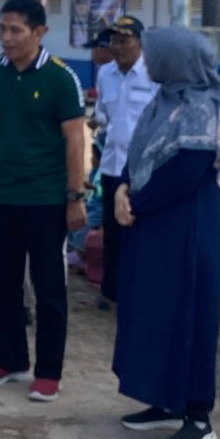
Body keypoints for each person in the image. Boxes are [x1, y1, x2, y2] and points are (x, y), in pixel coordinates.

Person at [110, 27, 220, 439]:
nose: (148, 61)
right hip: (153, 220)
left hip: (185, 225)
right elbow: (137, 152)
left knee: (188, 313)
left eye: (155, 54)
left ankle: (198, 416)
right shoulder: (164, 100)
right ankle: (163, 399)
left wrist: (136, 201)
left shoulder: (202, 105)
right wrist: (123, 189)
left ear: (177, 59)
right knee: (155, 308)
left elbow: (188, 171)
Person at [0, 0, 86, 403]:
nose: (6, 37)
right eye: (2, 29)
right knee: (0, 284)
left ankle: (48, 372)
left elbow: (75, 140)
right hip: (0, 194)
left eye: (15, 30)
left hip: (46, 199)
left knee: (48, 287)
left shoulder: (60, 78)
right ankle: (10, 360)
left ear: (39, 32)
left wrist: (75, 196)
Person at [93, 16, 156, 307]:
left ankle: (139, 291)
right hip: (111, 164)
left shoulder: (153, 74)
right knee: (112, 231)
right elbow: (103, 114)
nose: (117, 47)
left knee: (139, 231)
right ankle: (111, 291)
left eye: (124, 41)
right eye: (113, 41)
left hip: (143, 168)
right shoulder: (105, 73)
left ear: (140, 44)